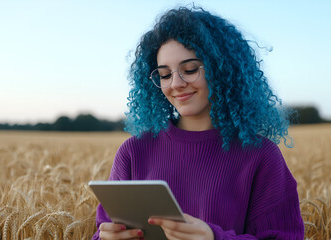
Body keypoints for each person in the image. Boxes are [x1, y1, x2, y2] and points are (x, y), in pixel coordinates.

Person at [92, 6, 304, 240]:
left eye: (190, 69)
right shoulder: (133, 152)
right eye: (164, 74)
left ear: (222, 70)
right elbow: (102, 230)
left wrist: (214, 238)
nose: (176, 84)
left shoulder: (261, 156)